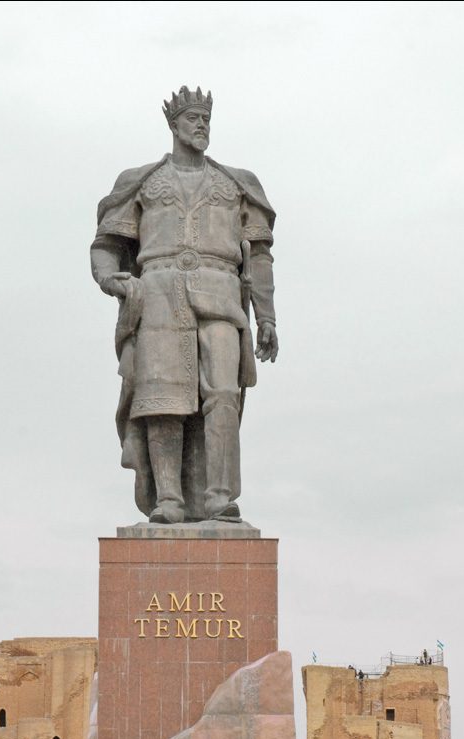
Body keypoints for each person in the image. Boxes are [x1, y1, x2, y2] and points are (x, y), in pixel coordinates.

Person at [91, 85, 278, 524]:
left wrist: (266, 316)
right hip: (157, 292)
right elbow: (107, 244)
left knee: (223, 395)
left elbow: (261, 254)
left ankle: (219, 497)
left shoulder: (236, 183)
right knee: (161, 398)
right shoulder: (141, 181)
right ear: (174, 125)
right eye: (193, 120)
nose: (201, 127)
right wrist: (109, 278)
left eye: (205, 120)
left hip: (221, 291)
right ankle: (169, 499)